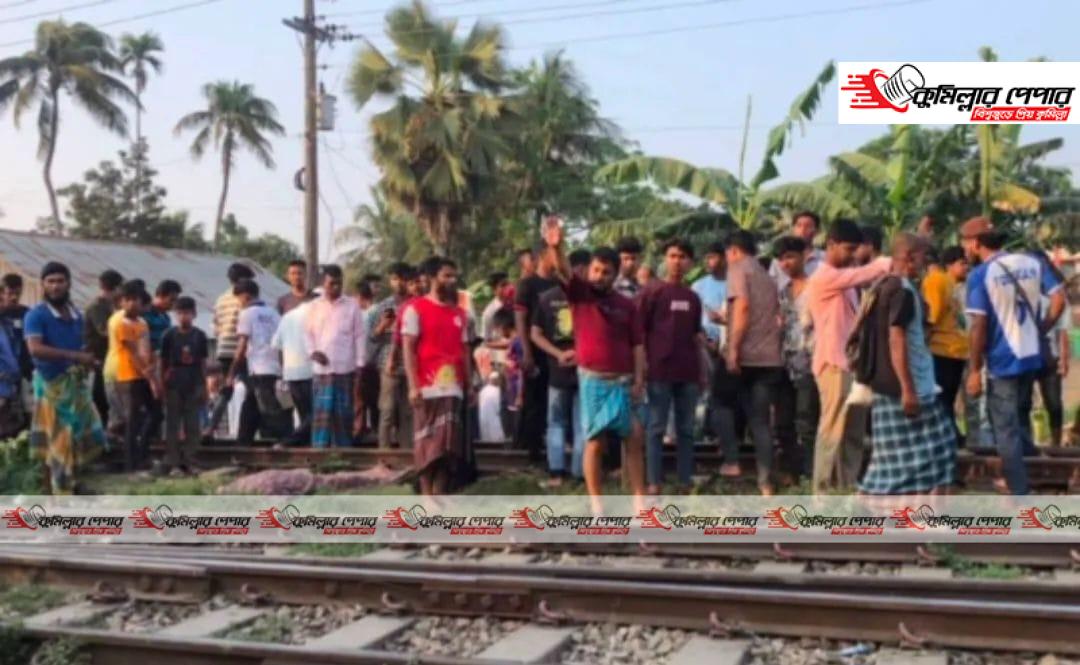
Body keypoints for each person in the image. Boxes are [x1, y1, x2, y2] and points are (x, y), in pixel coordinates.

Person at [544, 220, 646, 509]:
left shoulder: (627, 305)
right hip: (593, 381)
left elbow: (638, 345)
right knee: (595, 442)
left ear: (615, 275)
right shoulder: (580, 295)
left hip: (623, 382)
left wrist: (640, 379)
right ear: (589, 270)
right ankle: (596, 503)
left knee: (634, 437)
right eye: (596, 270)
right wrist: (556, 247)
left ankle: (640, 500)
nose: (600, 276)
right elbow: (563, 269)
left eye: (606, 272)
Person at [962, 217, 1064, 494]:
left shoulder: (980, 275)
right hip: (1031, 356)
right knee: (1020, 420)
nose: (965, 249)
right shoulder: (1032, 262)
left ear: (976, 243)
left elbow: (979, 325)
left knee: (1005, 429)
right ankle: (1034, 475)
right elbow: (1059, 299)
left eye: (966, 243)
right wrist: (1041, 328)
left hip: (1003, 361)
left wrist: (974, 370)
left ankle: (1019, 493)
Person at [860, 233, 956, 494]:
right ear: (910, 258)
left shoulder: (882, 285)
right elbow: (897, 338)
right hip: (909, 385)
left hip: (887, 384)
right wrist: (908, 389)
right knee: (942, 448)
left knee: (890, 458)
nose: (926, 262)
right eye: (923, 256)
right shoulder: (902, 291)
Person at [804, 219, 891, 493]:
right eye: (848, 249)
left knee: (853, 431)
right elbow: (865, 273)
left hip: (851, 365)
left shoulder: (844, 281)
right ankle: (822, 492)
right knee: (832, 430)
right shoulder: (824, 276)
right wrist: (888, 261)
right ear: (831, 245)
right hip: (833, 363)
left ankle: (846, 486)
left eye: (855, 249)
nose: (852, 255)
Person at [24, 262, 105, 494]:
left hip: (76, 383)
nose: (55, 286)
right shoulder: (36, 315)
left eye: (60, 281)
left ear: (68, 283)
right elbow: (35, 348)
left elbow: (82, 344)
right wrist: (74, 356)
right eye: (50, 281)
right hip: (51, 384)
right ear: (43, 285)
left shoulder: (77, 314)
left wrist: (88, 359)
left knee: (81, 434)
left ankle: (72, 481)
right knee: (56, 439)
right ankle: (54, 490)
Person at [402, 257, 472, 495]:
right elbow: (408, 349)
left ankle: (439, 493)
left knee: (448, 446)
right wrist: (413, 386)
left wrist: (470, 385)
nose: (452, 280)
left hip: (454, 387)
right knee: (427, 444)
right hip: (426, 387)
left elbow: (465, 351)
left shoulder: (461, 314)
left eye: (454, 276)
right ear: (432, 278)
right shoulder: (415, 309)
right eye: (446, 276)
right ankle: (426, 495)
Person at [640, 239, 704, 494]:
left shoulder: (693, 297)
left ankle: (685, 480)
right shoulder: (652, 292)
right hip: (659, 370)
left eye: (682, 257)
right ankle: (653, 481)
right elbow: (639, 331)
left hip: (688, 371)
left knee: (686, 429)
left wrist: (702, 371)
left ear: (690, 263)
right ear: (665, 259)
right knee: (656, 427)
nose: (677, 261)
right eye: (673, 256)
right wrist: (642, 365)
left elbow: (696, 335)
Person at [724, 230, 784, 496]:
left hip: (747, 356)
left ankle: (731, 462)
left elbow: (743, 308)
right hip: (770, 358)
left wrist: (733, 350)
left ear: (733, 251)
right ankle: (765, 481)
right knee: (761, 421)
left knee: (719, 403)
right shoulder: (766, 276)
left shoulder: (738, 270)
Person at [530, 249, 591, 486]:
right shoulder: (589, 298)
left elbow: (535, 334)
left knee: (556, 422)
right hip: (583, 368)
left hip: (560, 369)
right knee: (580, 422)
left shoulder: (547, 298)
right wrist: (577, 354)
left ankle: (557, 473)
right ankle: (578, 473)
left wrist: (558, 354)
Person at [773, 236, 819, 483]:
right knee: (783, 422)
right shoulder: (783, 292)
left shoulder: (816, 288)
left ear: (803, 257)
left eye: (790, 257)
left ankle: (810, 474)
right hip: (785, 363)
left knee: (806, 421)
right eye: (781, 259)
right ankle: (791, 471)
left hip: (810, 362)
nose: (786, 263)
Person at [305, 265, 366, 448]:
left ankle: (343, 453)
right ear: (323, 283)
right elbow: (307, 334)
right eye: (331, 284)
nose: (336, 287)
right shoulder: (314, 306)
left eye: (339, 283)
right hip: (322, 370)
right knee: (321, 416)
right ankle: (319, 453)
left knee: (343, 415)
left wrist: (360, 364)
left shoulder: (352, 305)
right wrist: (313, 352)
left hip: (344, 369)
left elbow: (359, 336)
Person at [514, 244, 559, 461]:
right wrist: (526, 351)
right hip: (535, 350)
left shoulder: (560, 283)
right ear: (542, 256)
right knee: (535, 400)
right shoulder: (527, 285)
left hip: (556, 351)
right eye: (553, 254)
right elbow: (521, 319)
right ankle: (532, 450)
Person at [922, 246, 969, 443]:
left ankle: (947, 437)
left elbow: (931, 317)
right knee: (946, 399)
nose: (966, 267)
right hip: (953, 348)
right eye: (962, 263)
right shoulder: (945, 282)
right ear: (948, 264)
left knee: (941, 400)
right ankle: (952, 435)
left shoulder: (939, 281)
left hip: (943, 348)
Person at [206, 262, 258, 441]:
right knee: (253, 392)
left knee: (225, 391)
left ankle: (210, 428)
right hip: (241, 350)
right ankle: (246, 432)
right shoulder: (243, 299)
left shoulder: (221, 299)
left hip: (223, 350)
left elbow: (215, 328)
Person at [229, 279, 286, 439]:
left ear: (245, 297)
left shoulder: (247, 314)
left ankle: (279, 440)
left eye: (239, 300)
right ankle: (244, 439)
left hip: (258, 367)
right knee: (251, 404)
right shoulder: (274, 314)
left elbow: (242, 346)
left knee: (268, 410)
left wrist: (232, 372)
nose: (239, 304)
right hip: (274, 367)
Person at [159, 296, 208, 475]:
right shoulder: (169, 335)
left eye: (187, 313)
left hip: (193, 381)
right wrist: (161, 384)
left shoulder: (200, 335)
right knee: (172, 424)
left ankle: (190, 459)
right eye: (179, 313)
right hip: (174, 381)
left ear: (194, 314)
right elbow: (162, 362)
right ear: (175, 314)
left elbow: (202, 362)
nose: (183, 317)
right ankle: (172, 461)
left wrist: (204, 385)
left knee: (192, 424)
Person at [113, 281, 159, 472]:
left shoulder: (142, 323)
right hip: (129, 375)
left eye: (136, 299)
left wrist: (151, 367)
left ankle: (142, 452)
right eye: (128, 299)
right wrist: (148, 375)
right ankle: (131, 463)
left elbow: (146, 348)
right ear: (122, 302)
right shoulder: (121, 323)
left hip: (144, 374)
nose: (132, 303)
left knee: (156, 413)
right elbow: (132, 353)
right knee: (133, 419)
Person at [369, 263, 414, 449]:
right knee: (387, 411)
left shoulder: (417, 304)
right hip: (388, 364)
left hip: (411, 364)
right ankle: (384, 452)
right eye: (395, 279)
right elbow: (372, 337)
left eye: (403, 279)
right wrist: (383, 326)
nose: (399, 283)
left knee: (408, 412)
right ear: (390, 281)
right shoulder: (383, 306)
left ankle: (407, 451)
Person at [141, 279, 181, 448]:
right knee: (150, 408)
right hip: (147, 364)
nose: (173, 304)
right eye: (171, 299)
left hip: (161, 363)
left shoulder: (165, 317)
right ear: (161, 296)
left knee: (159, 407)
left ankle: (153, 443)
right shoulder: (146, 313)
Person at [1036, 253, 1071, 447]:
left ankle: (1056, 443)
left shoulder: (1057, 296)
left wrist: (1064, 360)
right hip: (1029, 355)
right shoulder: (1026, 292)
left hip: (1050, 357)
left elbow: (1062, 330)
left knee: (1054, 403)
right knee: (1025, 402)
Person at [84, 270, 123, 430]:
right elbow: (104, 331)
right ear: (116, 288)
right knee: (100, 395)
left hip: (107, 358)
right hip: (97, 357)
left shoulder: (109, 306)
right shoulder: (97, 306)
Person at [271, 298, 314, 445]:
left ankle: (303, 443)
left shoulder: (287, 317)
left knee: (303, 413)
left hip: (291, 373)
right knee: (316, 412)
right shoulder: (316, 315)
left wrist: (283, 370)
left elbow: (277, 345)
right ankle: (292, 440)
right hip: (311, 371)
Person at [769, 211, 824, 293]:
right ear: (793, 229)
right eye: (799, 225)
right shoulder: (778, 259)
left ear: (817, 231)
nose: (803, 230)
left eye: (808, 226)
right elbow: (771, 287)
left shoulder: (825, 259)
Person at [354, 280, 379, 440]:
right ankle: (374, 430)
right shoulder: (379, 310)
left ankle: (359, 431)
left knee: (360, 400)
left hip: (363, 362)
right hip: (375, 362)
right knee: (374, 401)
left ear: (360, 297)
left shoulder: (365, 314)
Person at [481, 272, 512, 343]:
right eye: (503, 285)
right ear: (494, 290)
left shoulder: (516, 304)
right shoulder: (489, 312)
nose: (507, 287)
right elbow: (486, 339)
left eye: (508, 284)